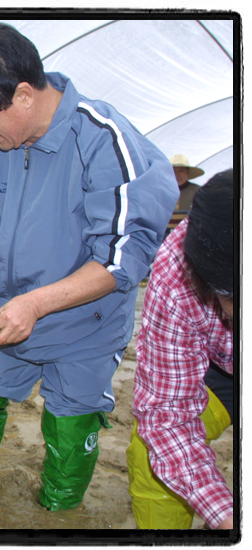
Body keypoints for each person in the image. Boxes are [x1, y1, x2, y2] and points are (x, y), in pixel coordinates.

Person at [0, 22, 178, 510]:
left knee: (72, 417)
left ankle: (59, 513)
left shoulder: (104, 140)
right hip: (8, 311)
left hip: (83, 321)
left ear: (24, 95)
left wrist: (37, 303)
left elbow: (122, 257)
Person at [127, 170, 234, 530]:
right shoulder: (179, 273)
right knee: (149, 453)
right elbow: (167, 416)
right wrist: (225, 517)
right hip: (223, 364)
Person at [165, 154, 205, 236]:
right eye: (174, 171)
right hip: (164, 238)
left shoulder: (198, 191)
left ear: (188, 172)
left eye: (181, 171)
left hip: (190, 236)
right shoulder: (161, 191)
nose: (177, 175)